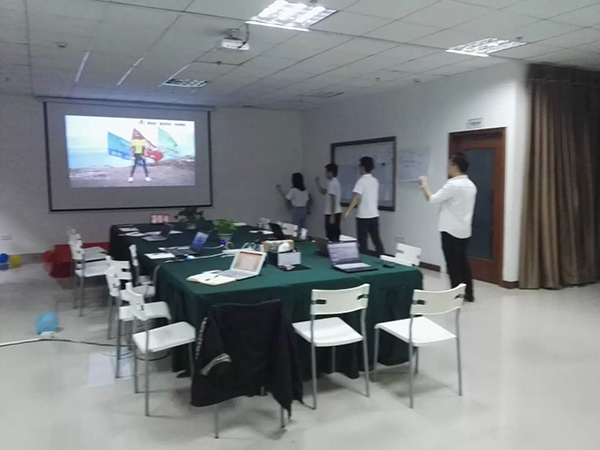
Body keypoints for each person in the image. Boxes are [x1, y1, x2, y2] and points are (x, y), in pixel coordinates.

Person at [419, 152, 477, 302]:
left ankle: (456, 295)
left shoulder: (452, 184)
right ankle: (469, 293)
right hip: (464, 230)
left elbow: (432, 199)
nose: (448, 167)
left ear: (455, 167)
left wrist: (424, 185)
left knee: (452, 264)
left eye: (450, 164)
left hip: (449, 230)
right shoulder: (471, 185)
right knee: (463, 261)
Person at [344, 156, 385, 256]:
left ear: (363, 167)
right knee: (376, 238)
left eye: (359, 166)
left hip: (363, 216)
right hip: (374, 215)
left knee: (363, 241)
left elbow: (357, 197)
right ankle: (382, 256)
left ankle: (364, 259)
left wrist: (347, 211)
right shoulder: (375, 181)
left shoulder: (361, 181)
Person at [315, 163, 342, 242]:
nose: (325, 174)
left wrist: (332, 215)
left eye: (326, 172)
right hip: (334, 212)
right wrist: (318, 183)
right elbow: (323, 192)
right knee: (334, 233)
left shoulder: (332, 184)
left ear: (331, 172)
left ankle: (332, 248)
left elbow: (333, 199)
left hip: (332, 212)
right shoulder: (332, 183)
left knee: (331, 234)